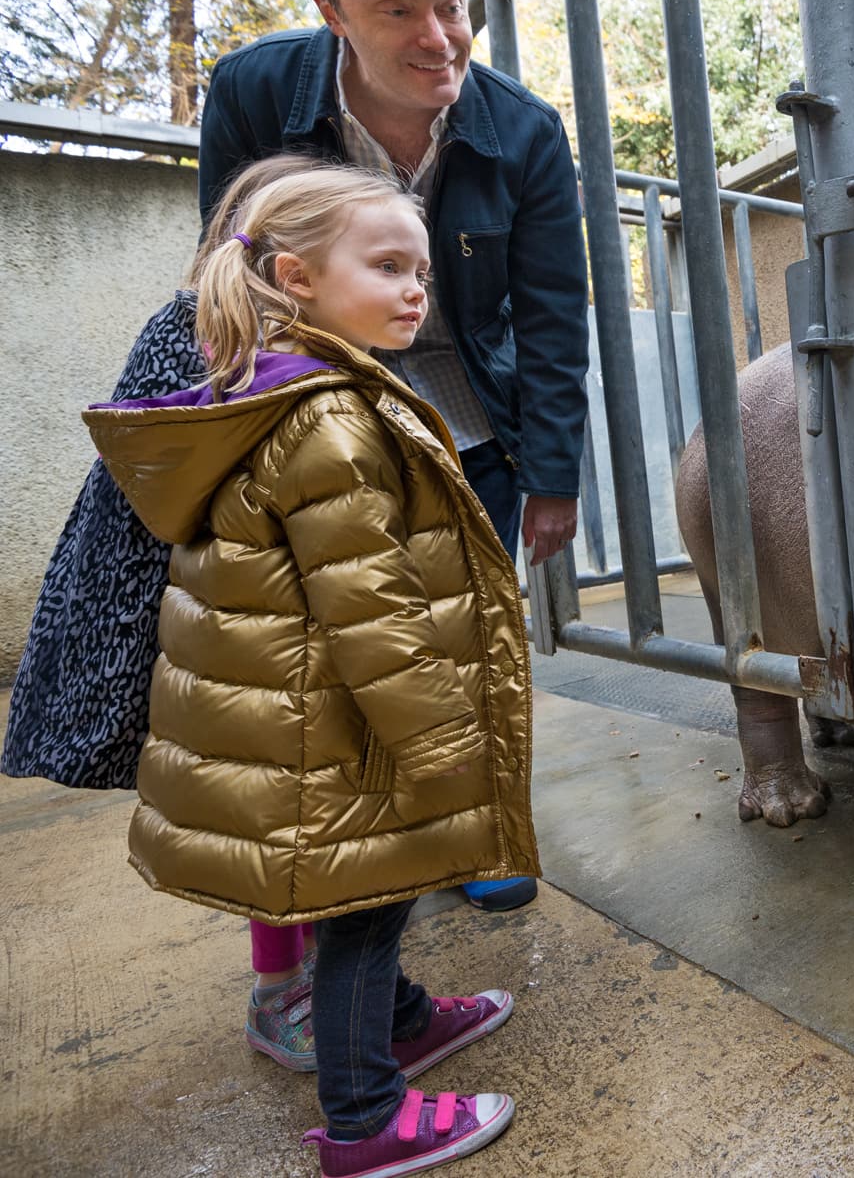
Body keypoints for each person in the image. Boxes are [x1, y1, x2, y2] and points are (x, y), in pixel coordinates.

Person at [87, 157, 536, 1174]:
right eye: (386, 265)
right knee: (366, 913)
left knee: (371, 899)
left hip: (309, 724)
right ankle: (366, 1121)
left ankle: (407, 1020)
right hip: (333, 732)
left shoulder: (285, 390)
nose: (415, 288)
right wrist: (447, 747)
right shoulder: (330, 420)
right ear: (295, 278)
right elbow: (371, 614)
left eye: (420, 270)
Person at [201, 0, 594, 913]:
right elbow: (222, 277)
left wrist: (552, 475)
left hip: (473, 422)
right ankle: (367, 847)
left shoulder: (525, 131)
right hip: (318, 421)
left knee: (468, 636)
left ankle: (477, 827)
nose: (440, 37)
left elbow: (553, 318)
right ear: (330, 12)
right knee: (334, 649)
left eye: (452, 4)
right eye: (396, 10)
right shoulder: (251, 93)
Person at [5, 153, 343, 1068]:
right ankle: (284, 994)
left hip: (208, 614)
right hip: (175, 613)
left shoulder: (248, 326)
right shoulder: (212, 335)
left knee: (282, 806)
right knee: (265, 810)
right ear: (296, 268)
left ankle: (311, 979)